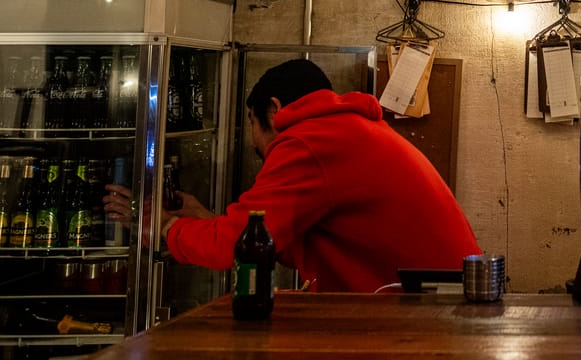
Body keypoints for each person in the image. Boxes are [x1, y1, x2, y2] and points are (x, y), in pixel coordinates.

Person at [104, 58, 480, 292]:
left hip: (424, 309)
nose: (255, 142)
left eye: (251, 122)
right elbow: (275, 239)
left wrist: (165, 227)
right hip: (437, 299)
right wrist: (206, 220)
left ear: (274, 109)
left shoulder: (308, 141)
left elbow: (228, 247)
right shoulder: (347, 130)